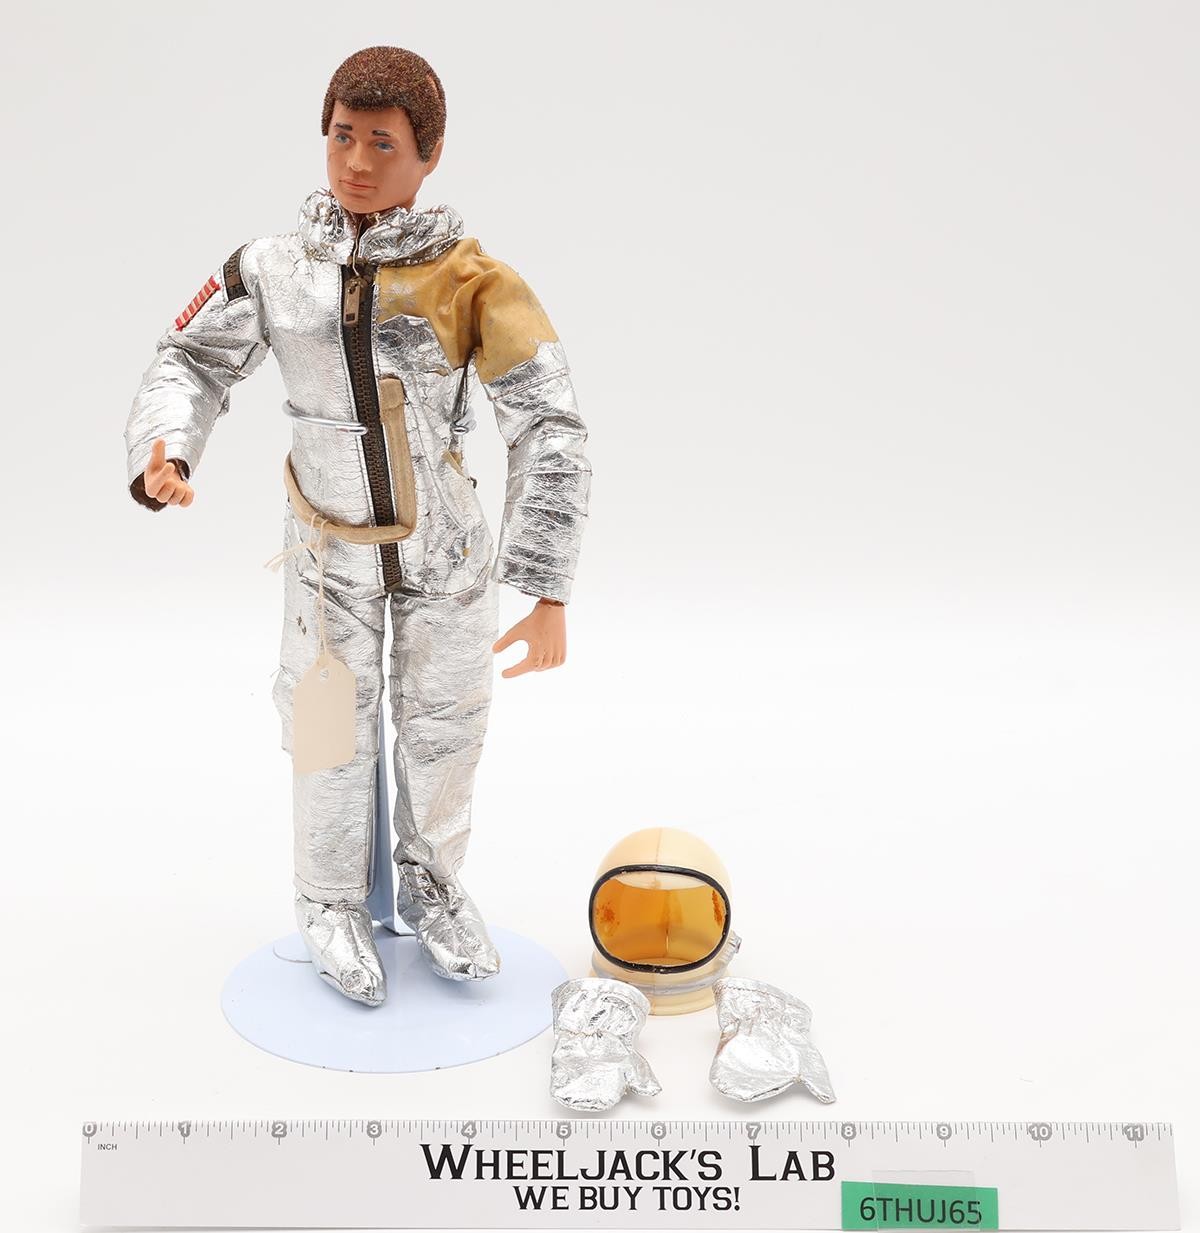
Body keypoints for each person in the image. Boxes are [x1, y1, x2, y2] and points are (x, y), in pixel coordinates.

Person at [124, 45, 591, 1007]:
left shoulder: (473, 281)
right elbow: (190, 356)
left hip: (445, 556)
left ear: (429, 156)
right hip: (325, 554)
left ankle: (434, 886)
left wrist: (545, 585)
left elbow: (547, 422)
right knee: (326, 731)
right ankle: (329, 901)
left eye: (383, 143)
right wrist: (166, 446)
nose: (357, 162)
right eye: (343, 136)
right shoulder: (273, 269)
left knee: (446, 728)